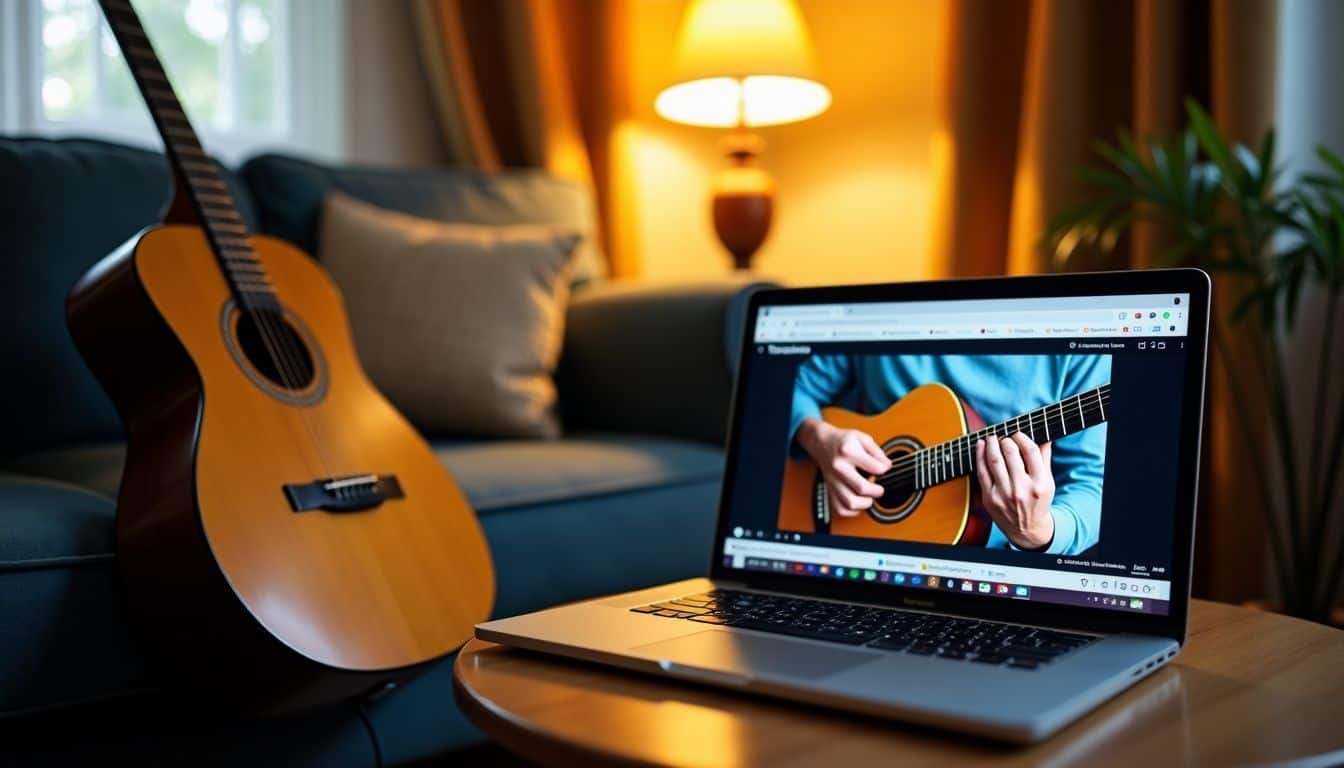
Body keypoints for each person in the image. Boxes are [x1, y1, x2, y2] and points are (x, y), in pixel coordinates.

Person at [790, 354, 1109, 555]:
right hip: (856, 560)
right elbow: (790, 388)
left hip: (994, 579)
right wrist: (815, 436)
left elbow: (1092, 485)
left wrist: (1039, 531)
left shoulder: (1082, 347)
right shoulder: (877, 317)